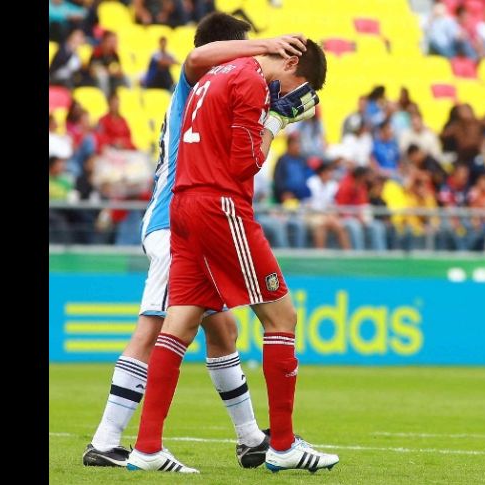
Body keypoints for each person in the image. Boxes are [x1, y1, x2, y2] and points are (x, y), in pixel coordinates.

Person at [82, 13, 311, 470]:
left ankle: (250, 439)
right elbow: (197, 57)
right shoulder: (198, 81)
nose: (249, 62)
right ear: (225, 51)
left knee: (221, 328)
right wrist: (263, 48)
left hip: (183, 219)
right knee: (156, 328)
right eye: (240, 50)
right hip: (174, 222)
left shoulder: (218, 92)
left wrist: (272, 119)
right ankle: (106, 441)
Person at [126, 34, 337, 473]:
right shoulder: (253, 81)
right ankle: (282, 446)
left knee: (179, 323)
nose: (292, 94)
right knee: (282, 317)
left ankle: (146, 448)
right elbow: (245, 164)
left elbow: (197, 60)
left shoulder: (216, 73)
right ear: (292, 66)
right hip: (220, 205)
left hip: (183, 204)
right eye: (298, 85)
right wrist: (276, 124)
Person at [306, 162, 351, 250]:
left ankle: (348, 254)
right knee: (321, 227)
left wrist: (330, 215)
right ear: (322, 173)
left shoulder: (333, 185)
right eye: (328, 172)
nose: (330, 174)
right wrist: (325, 215)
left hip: (328, 215)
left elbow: (332, 204)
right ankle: (320, 255)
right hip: (311, 214)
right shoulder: (310, 183)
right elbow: (308, 204)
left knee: (340, 227)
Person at [88, 30, 127, 96]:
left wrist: (119, 72)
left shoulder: (115, 55)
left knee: (126, 77)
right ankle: (104, 99)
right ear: (104, 41)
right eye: (111, 41)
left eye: (115, 41)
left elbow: (118, 68)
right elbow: (93, 70)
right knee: (102, 77)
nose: (113, 44)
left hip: (112, 80)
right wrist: (108, 71)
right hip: (95, 81)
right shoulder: (97, 53)